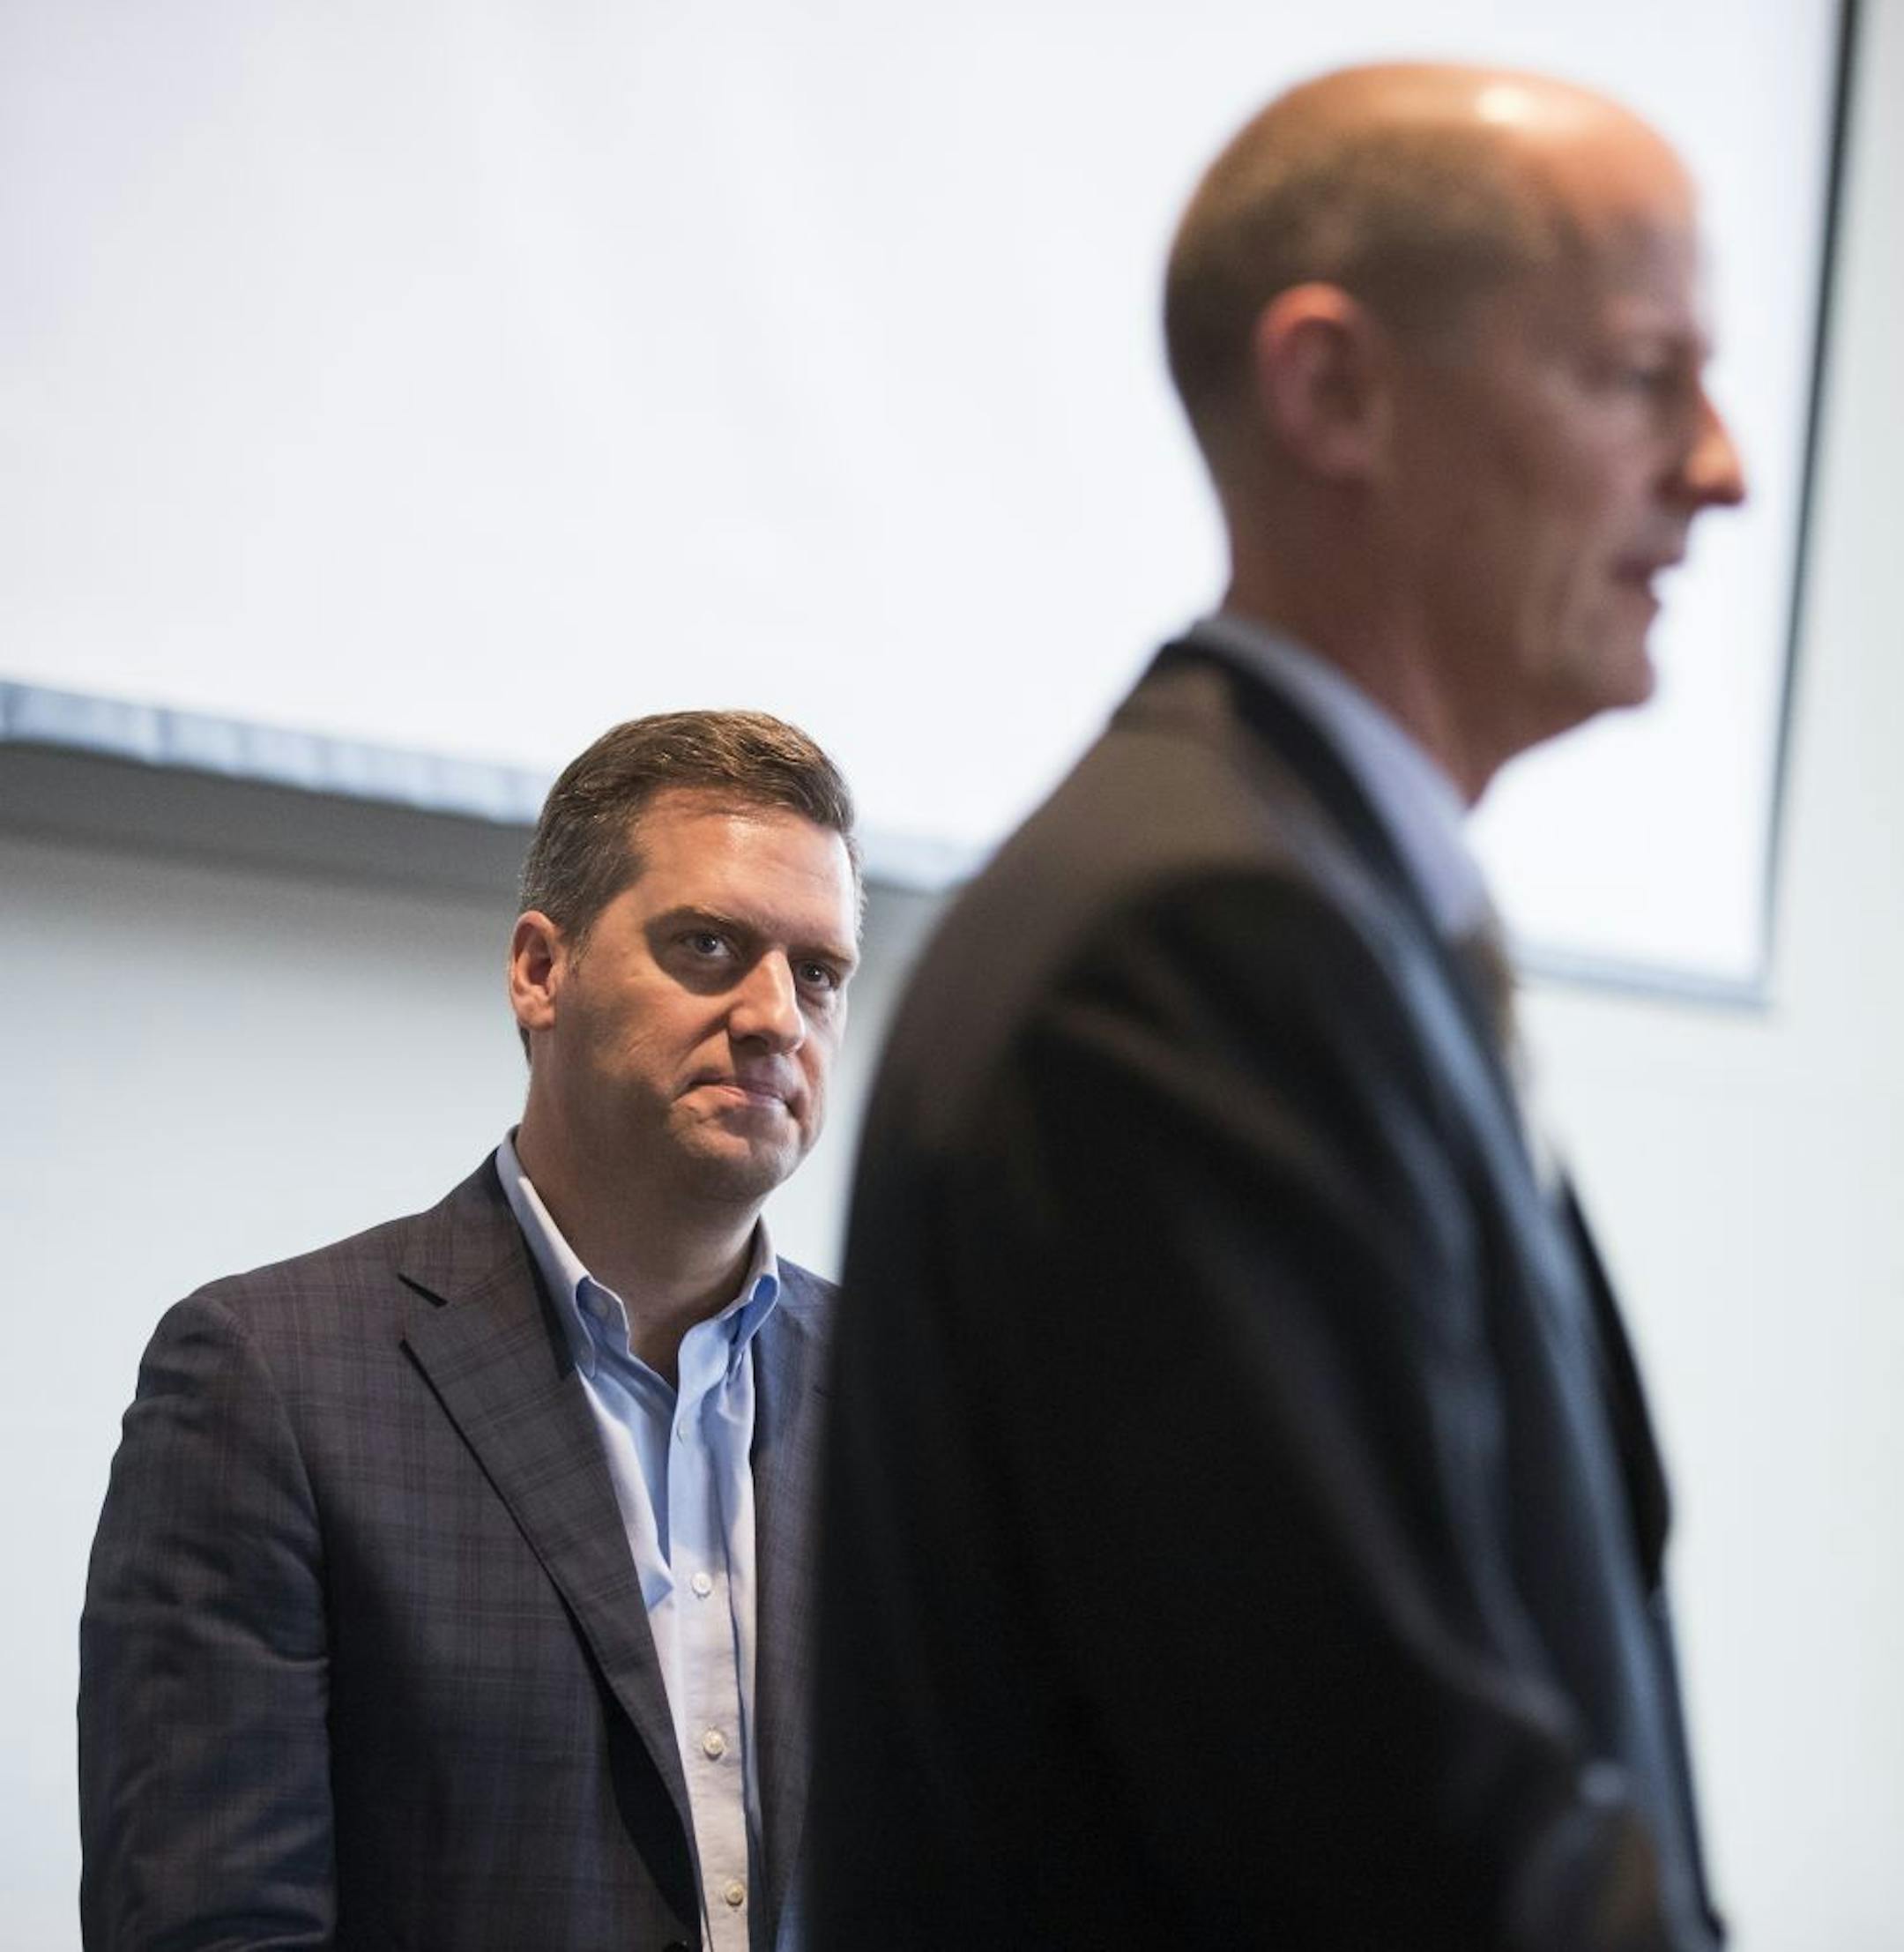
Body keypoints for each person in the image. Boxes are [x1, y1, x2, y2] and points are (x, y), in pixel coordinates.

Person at [808, 63, 1744, 1950]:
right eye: (1642, 376)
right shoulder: (1200, 943)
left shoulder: (1299, 901)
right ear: (1336, 390)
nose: (1720, 466)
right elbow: (1395, 1843)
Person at [80, 710, 862, 1952]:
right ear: (539, 970)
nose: (776, 1015)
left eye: (818, 971)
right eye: (708, 945)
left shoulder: (906, 1405)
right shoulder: (268, 1381)